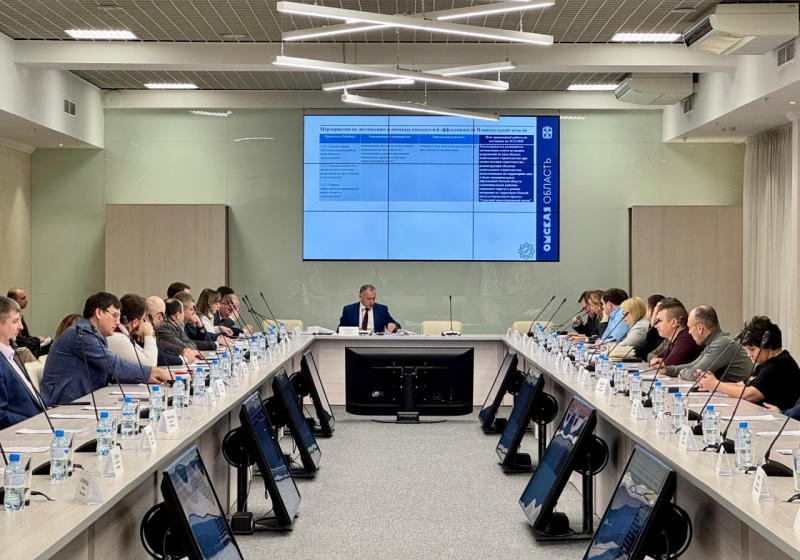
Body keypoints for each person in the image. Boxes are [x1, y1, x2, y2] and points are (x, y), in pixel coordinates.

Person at [40, 292, 172, 406]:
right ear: (99, 313)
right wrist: (150, 372)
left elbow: (109, 373)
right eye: (115, 315)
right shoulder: (81, 333)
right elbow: (113, 364)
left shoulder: (94, 334)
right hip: (63, 404)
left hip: (81, 400)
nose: (118, 322)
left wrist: (146, 377)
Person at [698, 316, 800, 410]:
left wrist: (716, 385)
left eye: (752, 349)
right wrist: (710, 383)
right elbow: (740, 385)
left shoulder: (779, 364)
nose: (749, 355)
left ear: (768, 345)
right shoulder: (766, 362)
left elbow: (749, 395)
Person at [660, 305, 751, 383]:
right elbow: (693, 365)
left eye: (690, 328)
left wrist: (681, 373)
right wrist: (667, 370)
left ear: (700, 328)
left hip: (741, 396)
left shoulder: (722, 343)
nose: (689, 332)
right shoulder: (714, 342)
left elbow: (695, 374)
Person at [0, 297, 45, 428]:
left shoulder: (10, 354)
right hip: (21, 431)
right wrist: (34, 423)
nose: (21, 326)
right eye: (15, 321)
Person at [648, 298, 703, 369]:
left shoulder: (685, 338)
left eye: (660, 321)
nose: (656, 326)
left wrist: (661, 363)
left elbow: (667, 366)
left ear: (674, 322)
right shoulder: (677, 337)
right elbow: (657, 359)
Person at [145, 296, 200, 366]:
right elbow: (158, 355)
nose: (163, 319)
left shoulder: (153, 328)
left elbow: (160, 344)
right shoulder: (162, 327)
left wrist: (183, 351)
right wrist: (183, 359)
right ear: (160, 316)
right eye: (164, 314)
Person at [106, 294, 159, 367]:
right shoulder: (116, 336)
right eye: (143, 319)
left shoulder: (124, 333)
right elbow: (149, 365)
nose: (145, 323)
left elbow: (144, 355)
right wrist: (148, 335)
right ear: (135, 322)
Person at [6, 287, 50, 357]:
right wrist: (35, 340)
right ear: (13, 300)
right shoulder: (7, 317)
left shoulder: (20, 315)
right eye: (23, 298)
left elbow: (24, 336)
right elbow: (16, 340)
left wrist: (35, 339)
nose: (27, 300)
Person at [632, 294, 665, 360]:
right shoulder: (653, 328)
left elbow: (649, 350)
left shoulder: (662, 331)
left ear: (651, 311)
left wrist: (653, 325)